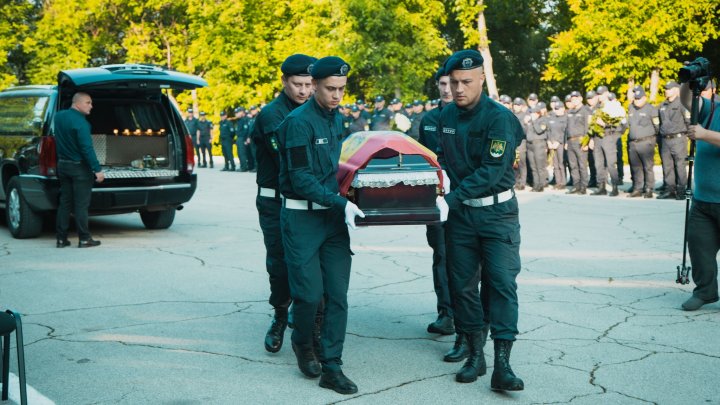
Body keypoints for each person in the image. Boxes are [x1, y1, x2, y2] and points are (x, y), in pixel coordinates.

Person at [435, 49, 524, 391]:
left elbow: (492, 169)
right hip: (460, 217)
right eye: (454, 82)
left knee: (501, 283)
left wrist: (451, 198)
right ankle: (475, 354)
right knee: (463, 288)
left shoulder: (498, 118)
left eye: (466, 82)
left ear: (482, 80)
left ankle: (503, 363)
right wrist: (437, 184)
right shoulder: (445, 117)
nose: (458, 89)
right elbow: (441, 159)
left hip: (497, 214)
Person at [277, 56, 364, 394]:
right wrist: (342, 202)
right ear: (314, 86)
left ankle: (332, 366)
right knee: (309, 295)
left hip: (332, 218)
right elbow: (300, 179)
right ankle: (302, 343)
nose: (336, 96)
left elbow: (336, 169)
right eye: (330, 89)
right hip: (302, 218)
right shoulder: (298, 123)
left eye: (341, 89)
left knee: (338, 296)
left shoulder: (335, 119)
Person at [251, 53, 317, 354]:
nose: (304, 91)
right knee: (280, 265)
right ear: (284, 82)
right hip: (276, 202)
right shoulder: (272, 115)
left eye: (308, 84)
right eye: (297, 84)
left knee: (308, 265)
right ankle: (279, 316)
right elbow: (291, 161)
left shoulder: (318, 111)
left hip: (310, 201)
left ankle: (309, 321)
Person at [417, 65, 456, 343]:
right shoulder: (428, 119)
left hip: (466, 197)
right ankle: (446, 314)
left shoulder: (470, 116)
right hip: (437, 198)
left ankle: (468, 318)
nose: (446, 89)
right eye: (441, 84)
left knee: (467, 259)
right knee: (441, 254)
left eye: (450, 83)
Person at [679, 77, 720, 311]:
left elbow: (703, 134)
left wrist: (704, 134)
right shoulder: (713, 108)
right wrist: (687, 80)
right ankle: (705, 292)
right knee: (699, 247)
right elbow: (686, 100)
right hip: (703, 199)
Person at [54, 92, 104, 248]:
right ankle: (84, 239)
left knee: (65, 203)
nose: (91, 106)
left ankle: (61, 239)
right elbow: (86, 148)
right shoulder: (82, 123)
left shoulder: (59, 117)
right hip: (79, 168)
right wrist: (97, 169)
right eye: (88, 103)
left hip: (63, 166)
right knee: (81, 205)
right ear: (77, 104)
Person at [657, 81, 690, 200]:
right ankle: (669, 190)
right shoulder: (662, 105)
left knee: (680, 165)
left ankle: (681, 190)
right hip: (665, 140)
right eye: (666, 88)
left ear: (676, 90)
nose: (666, 90)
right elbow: (658, 124)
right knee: (667, 166)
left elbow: (688, 122)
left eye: (669, 89)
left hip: (678, 139)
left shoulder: (682, 104)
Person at [626, 86, 659, 198]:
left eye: (639, 98)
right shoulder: (631, 108)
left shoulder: (651, 109)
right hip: (633, 143)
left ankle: (649, 188)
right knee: (636, 167)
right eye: (636, 98)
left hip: (646, 142)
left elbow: (657, 126)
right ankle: (637, 189)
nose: (637, 100)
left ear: (645, 98)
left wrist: (654, 141)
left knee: (647, 167)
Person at [565, 91, 591, 194]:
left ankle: (583, 187)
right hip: (570, 141)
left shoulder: (585, 110)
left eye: (576, 98)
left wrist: (586, 142)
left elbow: (588, 127)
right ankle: (576, 186)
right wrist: (566, 141)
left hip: (581, 141)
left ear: (580, 98)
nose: (574, 100)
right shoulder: (570, 111)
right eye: (572, 99)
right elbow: (567, 128)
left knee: (582, 165)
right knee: (573, 165)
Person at [526, 105, 549, 192]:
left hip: (539, 144)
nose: (532, 114)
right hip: (530, 145)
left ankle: (541, 185)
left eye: (533, 113)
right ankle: (536, 185)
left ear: (538, 113)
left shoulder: (543, 120)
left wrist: (534, 121)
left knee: (540, 166)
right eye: (531, 113)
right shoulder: (530, 121)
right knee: (533, 167)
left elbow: (539, 130)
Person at [547, 99, 568, 189]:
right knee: (555, 164)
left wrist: (558, 142)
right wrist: (549, 141)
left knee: (561, 163)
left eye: (559, 108)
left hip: (561, 144)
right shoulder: (552, 118)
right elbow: (548, 131)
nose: (557, 110)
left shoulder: (566, 118)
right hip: (552, 144)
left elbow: (565, 132)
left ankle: (563, 182)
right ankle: (558, 182)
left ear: (563, 108)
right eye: (555, 108)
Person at [233, 107, 251, 172]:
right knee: (239, 153)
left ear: (241, 112)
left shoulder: (244, 119)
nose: (236, 114)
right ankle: (242, 166)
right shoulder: (239, 120)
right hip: (239, 138)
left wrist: (245, 139)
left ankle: (244, 167)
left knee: (242, 153)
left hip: (242, 138)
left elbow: (246, 130)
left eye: (237, 112)